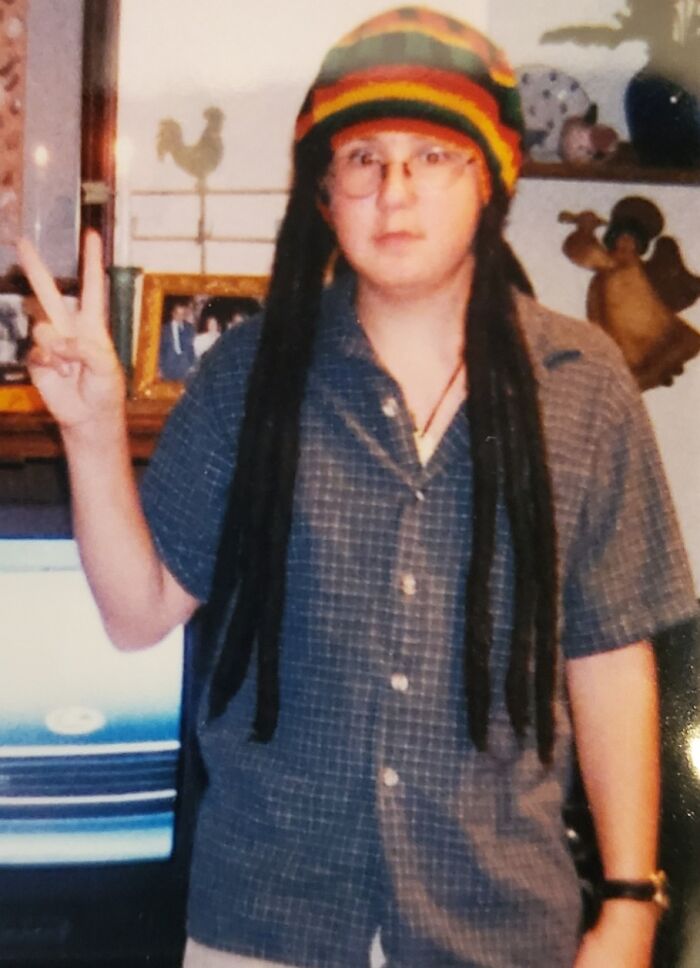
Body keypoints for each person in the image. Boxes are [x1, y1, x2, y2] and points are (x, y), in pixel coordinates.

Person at [17, 8, 697, 968]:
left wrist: (630, 902)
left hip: (501, 927)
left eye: (433, 155)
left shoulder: (583, 388)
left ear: (491, 181)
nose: (396, 192)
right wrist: (89, 430)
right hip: (263, 925)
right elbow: (139, 614)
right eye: (364, 159)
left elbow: (610, 654)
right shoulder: (249, 377)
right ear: (325, 194)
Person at [159, 296, 196, 380]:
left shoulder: (190, 328)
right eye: (177, 314)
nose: (179, 317)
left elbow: (192, 349)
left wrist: (192, 365)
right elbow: (160, 349)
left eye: (182, 314)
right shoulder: (164, 329)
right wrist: (159, 368)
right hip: (168, 367)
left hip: (184, 368)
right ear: (173, 313)